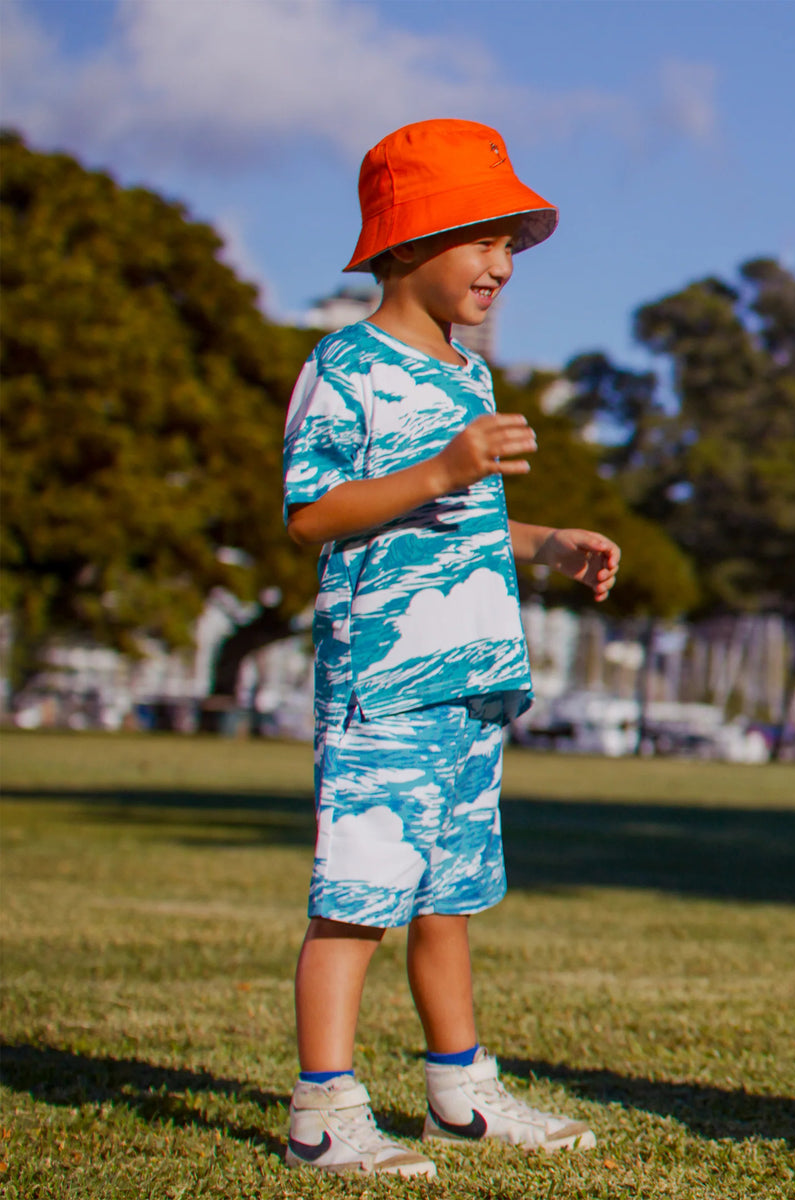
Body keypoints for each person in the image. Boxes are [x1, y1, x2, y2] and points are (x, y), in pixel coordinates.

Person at [280, 119, 620, 1179]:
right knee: (357, 901)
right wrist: (444, 467)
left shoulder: (469, 380)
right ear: (405, 244)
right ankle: (322, 1110)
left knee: (449, 893)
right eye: (479, 238)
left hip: (472, 682)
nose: (501, 265)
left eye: (510, 243)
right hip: (385, 682)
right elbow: (312, 513)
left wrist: (544, 543)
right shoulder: (345, 366)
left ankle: (459, 1094)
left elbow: (459, 527)